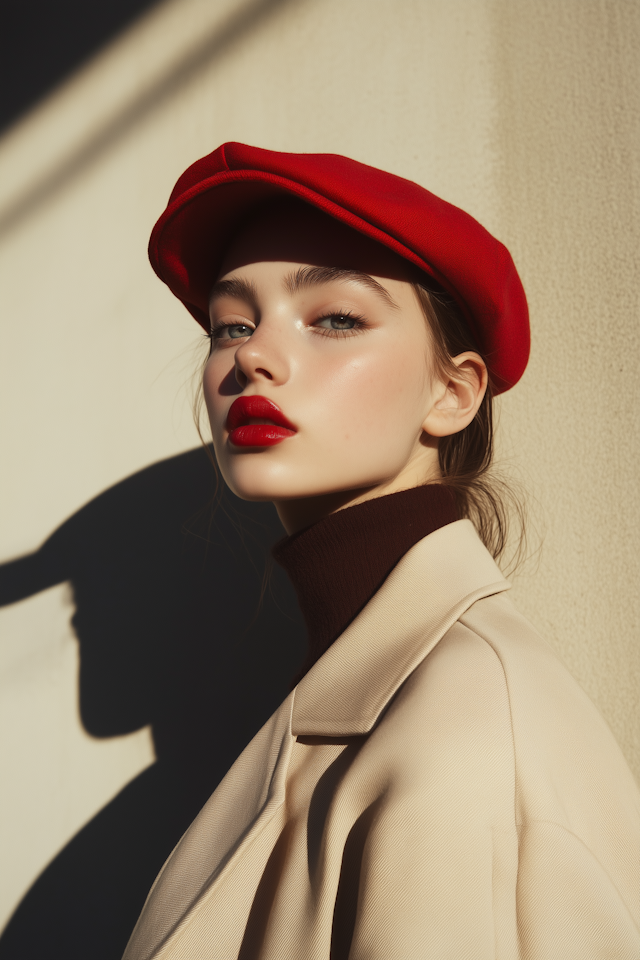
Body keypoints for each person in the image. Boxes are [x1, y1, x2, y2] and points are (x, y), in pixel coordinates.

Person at [122, 143, 640, 959]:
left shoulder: (460, 725)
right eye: (233, 323)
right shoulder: (369, 690)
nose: (251, 355)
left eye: (335, 317)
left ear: (452, 392)